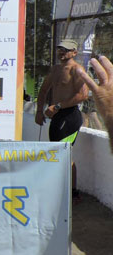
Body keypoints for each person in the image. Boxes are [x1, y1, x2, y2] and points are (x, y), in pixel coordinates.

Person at [35, 38, 88, 197]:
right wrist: (39, 111)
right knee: (56, 153)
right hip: (57, 117)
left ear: (74, 52)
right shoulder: (56, 69)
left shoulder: (77, 69)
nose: (61, 52)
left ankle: (73, 193)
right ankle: (58, 190)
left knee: (65, 153)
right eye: (60, 49)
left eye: (65, 50)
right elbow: (43, 90)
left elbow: (83, 95)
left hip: (70, 116)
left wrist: (58, 106)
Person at [78, 55, 113, 152]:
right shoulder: (89, 74)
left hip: (93, 99)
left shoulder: (91, 75)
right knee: (86, 116)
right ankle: (86, 128)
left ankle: (98, 129)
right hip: (94, 98)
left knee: (92, 115)